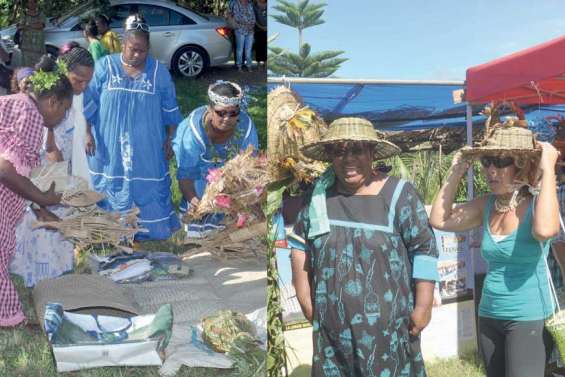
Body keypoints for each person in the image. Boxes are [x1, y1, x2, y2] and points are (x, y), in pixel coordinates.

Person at [289, 117, 439, 376]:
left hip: (388, 333)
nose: (348, 159)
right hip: (332, 336)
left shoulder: (399, 195)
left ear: (371, 153)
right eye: (339, 151)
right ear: (329, 156)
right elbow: (300, 245)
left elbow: (424, 249)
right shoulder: (318, 198)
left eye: (357, 150)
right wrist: (305, 300)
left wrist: (423, 307)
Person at [429, 113, 560, 377]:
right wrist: (457, 169)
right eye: (487, 161)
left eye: (501, 162)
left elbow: (545, 230)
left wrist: (548, 170)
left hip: (527, 316)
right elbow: (439, 219)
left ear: (521, 164)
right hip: (489, 313)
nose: (491, 170)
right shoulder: (486, 204)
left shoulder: (537, 204)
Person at [83, 15, 182, 240]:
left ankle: (149, 231)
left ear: (149, 48)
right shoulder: (105, 67)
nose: (137, 55)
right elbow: (89, 102)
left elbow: (170, 109)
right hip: (108, 146)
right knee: (109, 183)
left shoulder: (159, 73)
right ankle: (111, 231)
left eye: (142, 50)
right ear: (123, 43)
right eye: (132, 49)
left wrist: (169, 139)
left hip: (146, 146)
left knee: (146, 186)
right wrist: (88, 133)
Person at [9, 45, 95, 288]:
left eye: (87, 82)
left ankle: (57, 275)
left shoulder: (68, 103)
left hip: (51, 182)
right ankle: (36, 281)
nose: (83, 87)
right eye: (78, 80)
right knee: (40, 230)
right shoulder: (36, 109)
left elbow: (58, 153)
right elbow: (18, 169)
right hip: (27, 188)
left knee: (62, 221)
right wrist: (37, 204)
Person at [0, 55, 72, 327]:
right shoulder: (31, 115)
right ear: (52, 101)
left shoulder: (17, 103)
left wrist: (38, 207)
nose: (63, 116)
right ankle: (10, 319)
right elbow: (6, 170)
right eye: (64, 109)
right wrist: (44, 197)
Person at [173, 81, 258, 238]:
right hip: (198, 176)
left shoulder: (245, 127)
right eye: (221, 113)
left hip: (230, 177)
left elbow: (250, 167)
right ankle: (196, 235)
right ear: (210, 110)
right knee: (197, 228)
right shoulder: (193, 132)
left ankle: (226, 233)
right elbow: (186, 174)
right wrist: (194, 201)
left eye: (233, 113)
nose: (227, 118)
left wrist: (240, 196)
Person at [228, 0, 256, 72]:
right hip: (240, 30)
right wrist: (246, 22)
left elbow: (253, 16)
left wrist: (252, 25)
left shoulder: (250, 4)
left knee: (248, 50)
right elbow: (236, 17)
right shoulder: (236, 4)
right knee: (240, 50)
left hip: (250, 30)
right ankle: (239, 66)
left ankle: (249, 65)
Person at [17, 0, 46, 67]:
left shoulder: (41, 13)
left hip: (39, 46)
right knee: (27, 67)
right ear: (27, 3)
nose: (31, 4)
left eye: (33, 2)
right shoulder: (24, 14)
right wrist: (34, 25)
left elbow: (41, 25)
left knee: (39, 66)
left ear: (36, 3)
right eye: (30, 2)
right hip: (26, 47)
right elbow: (19, 26)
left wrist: (27, 25)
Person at [253, 0, 267, 67]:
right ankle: (258, 63)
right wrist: (261, 27)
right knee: (258, 46)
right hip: (258, 29)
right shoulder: (254, 6)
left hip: (268, 29)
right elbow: (253, 19)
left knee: (266, 47)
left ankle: (265, 62)